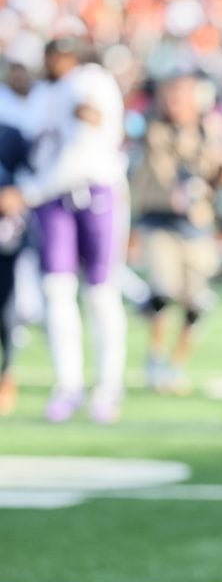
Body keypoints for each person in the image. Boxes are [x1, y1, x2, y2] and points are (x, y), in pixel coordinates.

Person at [1, 38, 128, 424]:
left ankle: (108, 386)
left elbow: (82, 148)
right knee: (56, 291)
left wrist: (29, 191)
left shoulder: (90, 83)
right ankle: (68, 386)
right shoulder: (46, 94)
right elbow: (39, 147)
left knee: (101, 292)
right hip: (54, 199)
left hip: (93, 192)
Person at [130, 72, 222, 394]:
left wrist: (219, 172)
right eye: (170, 96)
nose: (174, 103)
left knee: (196, 301)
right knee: (163, 289)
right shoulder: (148, 126)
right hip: (158, 218)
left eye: (182, 96)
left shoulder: (211, 131)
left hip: (196, 222)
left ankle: (176, 364)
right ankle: (154, 356)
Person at [0, 121, 31, 415]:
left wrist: (16, 197)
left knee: (5, 308)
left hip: (5, 234)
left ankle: (6, 374)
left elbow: (28, 175)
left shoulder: (11, 133)